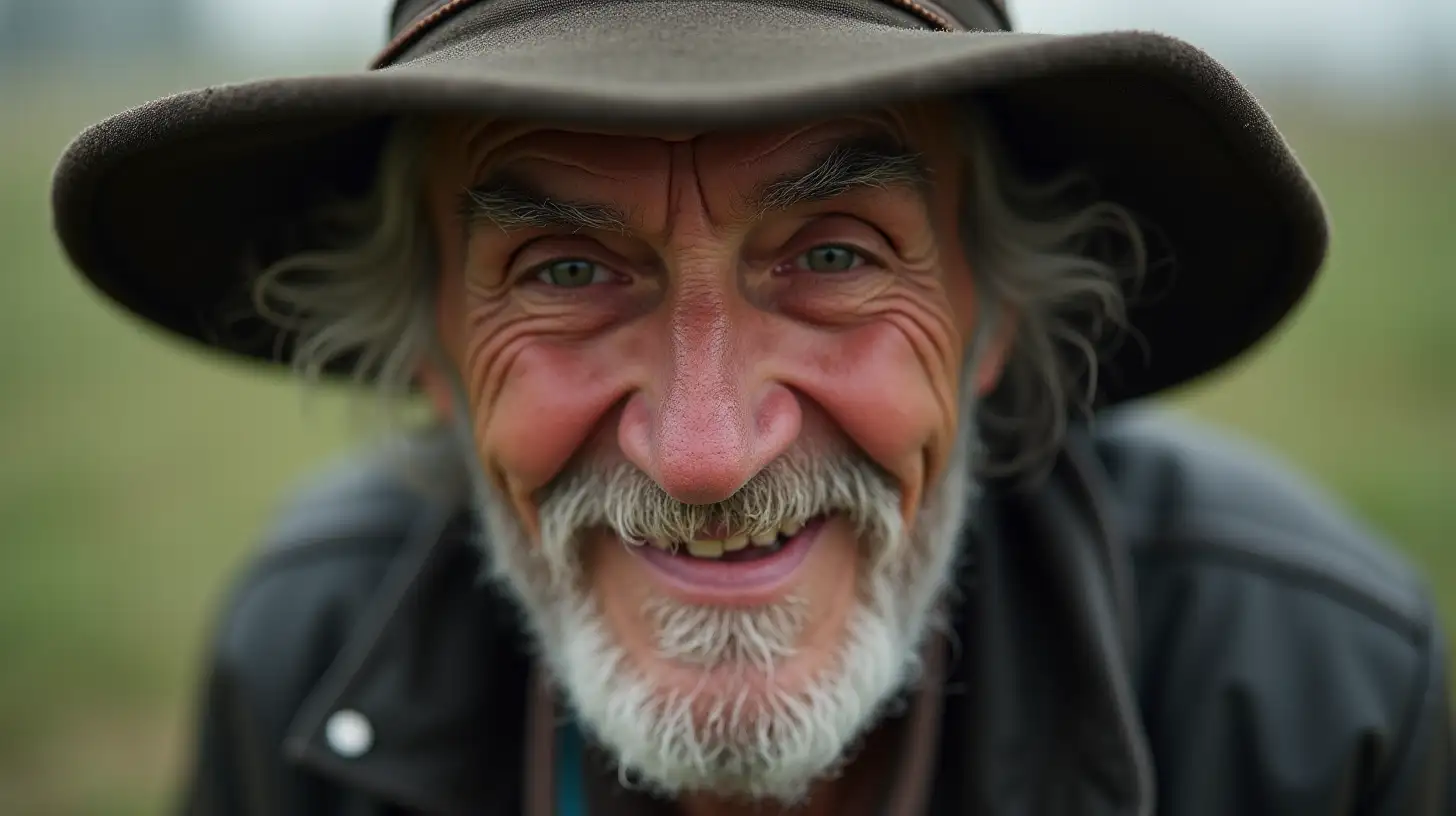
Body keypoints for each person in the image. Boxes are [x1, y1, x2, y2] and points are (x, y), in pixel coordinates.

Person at [51, 0, 1453, 813]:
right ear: (430, 347)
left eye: (836, 256)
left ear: (991, 316)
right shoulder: (301, 651)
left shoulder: (1309, 699)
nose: (710, 452)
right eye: (567, 268)